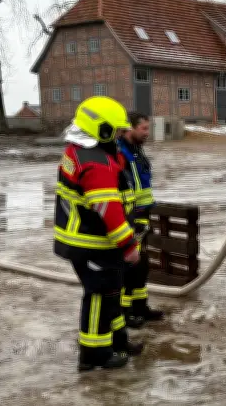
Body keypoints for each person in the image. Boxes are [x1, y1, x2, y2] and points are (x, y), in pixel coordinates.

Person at [54, 96, 144, 371]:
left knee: (111, 292)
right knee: (98, 294)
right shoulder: (95, 162)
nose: (118, 137)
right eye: (115, 132)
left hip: (86, 239)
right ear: (101, 130)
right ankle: (94, 354)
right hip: (92, 242)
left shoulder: (79, 151)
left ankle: (116, 340)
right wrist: (129, 245)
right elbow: (108, 209)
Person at [117, 112, 165, 328]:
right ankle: (125, 313)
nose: (147, 133)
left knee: (142, 265)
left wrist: (145, 217)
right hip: (129, 218)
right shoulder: (120, 154)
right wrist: (132, 219)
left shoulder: (136, 151)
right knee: (129, 266)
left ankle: (140, 308)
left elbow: (142, 186)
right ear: (129, 129)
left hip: (142, 216)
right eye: (144, 128)